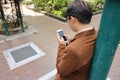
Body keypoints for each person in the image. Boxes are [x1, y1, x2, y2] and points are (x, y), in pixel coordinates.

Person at [56, 0, 98, 80]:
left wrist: (62, 46)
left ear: (72, 19)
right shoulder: (96, 33)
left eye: (67, 18)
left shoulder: (73, 50)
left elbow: (61, 70)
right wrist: (72, 42)